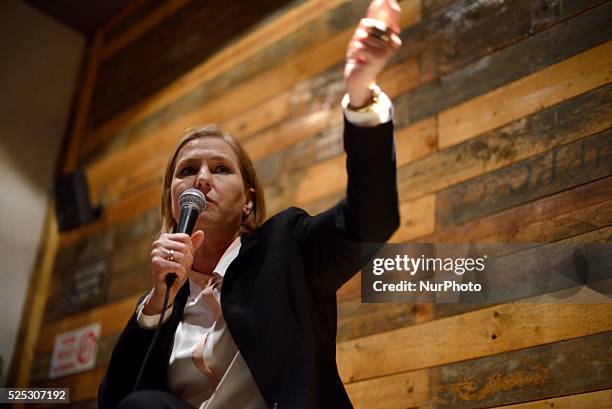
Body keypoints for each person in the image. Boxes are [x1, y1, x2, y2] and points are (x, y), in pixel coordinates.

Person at [98, 1, 402, 408]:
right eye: (187, 171)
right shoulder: (163, 295)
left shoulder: (286, 247)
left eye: (220, 169)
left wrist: (362, 98)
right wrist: (156, 305)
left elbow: (368, 222)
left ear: (248, 201)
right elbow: (115, 402)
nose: (202, 179)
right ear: (172, 201)